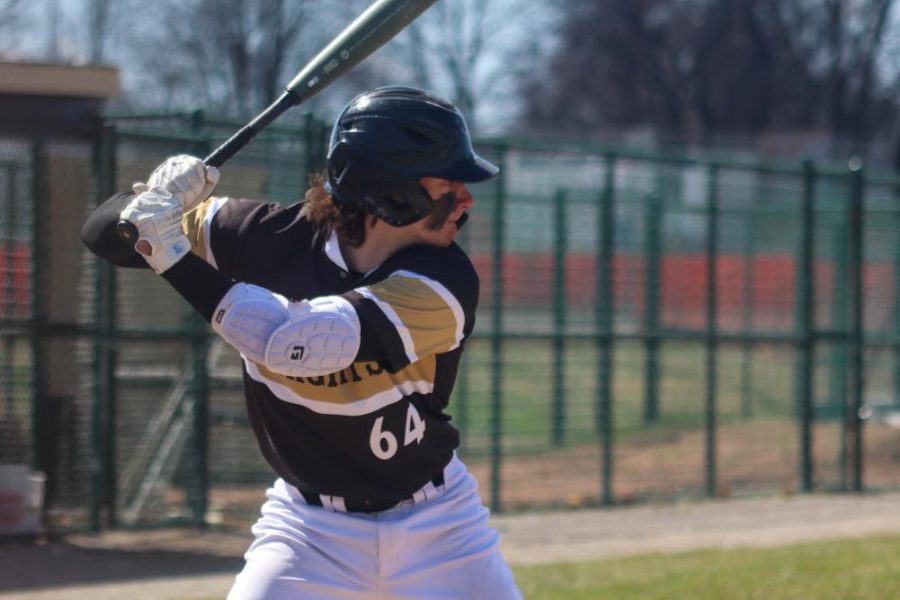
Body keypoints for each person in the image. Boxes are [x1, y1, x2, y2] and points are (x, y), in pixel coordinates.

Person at [81, 86, 523, 599]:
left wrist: (174, 257)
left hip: (438, 525)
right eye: (448, 182)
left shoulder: (443, 280)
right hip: (310, 532)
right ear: (391, 189)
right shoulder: (260, 235)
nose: (465, 198)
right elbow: (102, 235)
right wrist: (154, 201)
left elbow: (295, 343)